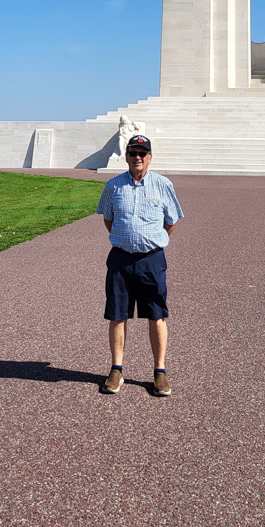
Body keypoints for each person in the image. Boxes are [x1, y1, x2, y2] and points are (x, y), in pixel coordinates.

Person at [96, 134, 184, 396]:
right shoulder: (113, 186)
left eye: (142, 153)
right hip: (121, 259)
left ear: (150, 157)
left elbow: (172, 220)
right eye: (133, 153)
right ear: (126, 156)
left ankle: (159, 372)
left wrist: (153, 239)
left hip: (151, 259)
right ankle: (116, 369)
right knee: (117, 314)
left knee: (157, 315)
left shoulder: (163, 185)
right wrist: (127, 238)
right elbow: (108, 219)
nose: (137, 157)